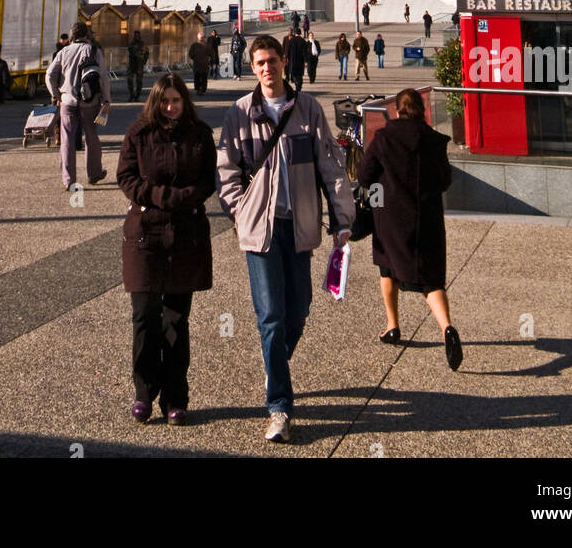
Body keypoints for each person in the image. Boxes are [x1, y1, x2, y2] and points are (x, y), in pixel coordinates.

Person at [217, 36, 354, 444]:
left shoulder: (307, 109)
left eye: (272, 61)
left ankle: (274, 361)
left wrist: (342, 218)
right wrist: (241, 211)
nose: (266, 68)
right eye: (259, 62)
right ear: (252, 66)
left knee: (300, 309)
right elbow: (226, 170)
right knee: (272, 316)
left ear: (282, 62)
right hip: (260, 230)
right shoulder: (240, 113)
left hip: (299, 227)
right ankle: (279, 406)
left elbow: (330, 165)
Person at [117, 74, 216, 425]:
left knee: (175, 320)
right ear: (155, 102)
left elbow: (208, 180)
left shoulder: (200, 134)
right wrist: (161, 197)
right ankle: (144, 391)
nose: (170, 107)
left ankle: (175, 396)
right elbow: (127, 178)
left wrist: (185, 198)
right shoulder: (138, 133)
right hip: (145, 234)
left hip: (185, 233)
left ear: (185, 102)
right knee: (144, 316)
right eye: (164, 101)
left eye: (176, 101)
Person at [356, 88, 462, 370]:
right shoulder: (434, 141)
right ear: (423, 109)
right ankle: (447, 328)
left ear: (397, 110)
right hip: (426, 216)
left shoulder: (384, 138)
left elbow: (364, 175)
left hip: (390, 216)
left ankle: (392, 326)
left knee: (387, 267)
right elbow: (444, 179)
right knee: (431, 280)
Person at [46, 22, 110, 188]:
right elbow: (103, 78)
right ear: (87, 34)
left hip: (67, 102)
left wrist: (56, 94)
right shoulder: (95, 51)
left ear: (72, 35)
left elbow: (50, 75)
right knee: (91, 137)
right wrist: (106, 100)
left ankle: (68, 180)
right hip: (90, 103)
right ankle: (94, 173)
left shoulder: (64, 52)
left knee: (67, 140)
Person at [127, 31, 150, 102]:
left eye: (137, 35)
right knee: (129, 80)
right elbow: (130, 51)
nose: (136, 37)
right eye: (135, 35)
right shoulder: (131, 44)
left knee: (139, 81)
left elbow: (147, 53)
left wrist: (144, 62)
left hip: (139, 65)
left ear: (139, 36)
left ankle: (137, 96)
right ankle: (131, 95)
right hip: (132, 65)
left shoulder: (143, 44)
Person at [188, 30, 211, 94]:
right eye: (201, 37)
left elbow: (211, 53)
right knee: (197, 78)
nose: (202, 38)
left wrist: (210, 60)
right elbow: (190, 54)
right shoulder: (194, 45)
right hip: (197, 65)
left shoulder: (207, 45)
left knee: (204, 78)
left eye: (203, 37)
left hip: (204, 65)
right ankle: (198, 89)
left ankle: (203, 90)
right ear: (198, 37)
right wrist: (195, 58)